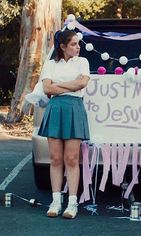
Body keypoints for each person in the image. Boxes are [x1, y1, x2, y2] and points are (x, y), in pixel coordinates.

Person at [38, 29, 90, 219]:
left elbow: (82, 83)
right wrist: (71, 83)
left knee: (72, 159)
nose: (78, 47)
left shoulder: (82, 62)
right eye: (74, 44)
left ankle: (72, 203)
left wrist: (57, 87)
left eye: (78, 44)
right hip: (55, 109)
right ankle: (56, 200)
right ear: (63, 46)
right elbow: (46, 88)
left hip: (74, 108)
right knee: (55, 158)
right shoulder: (50, 64)